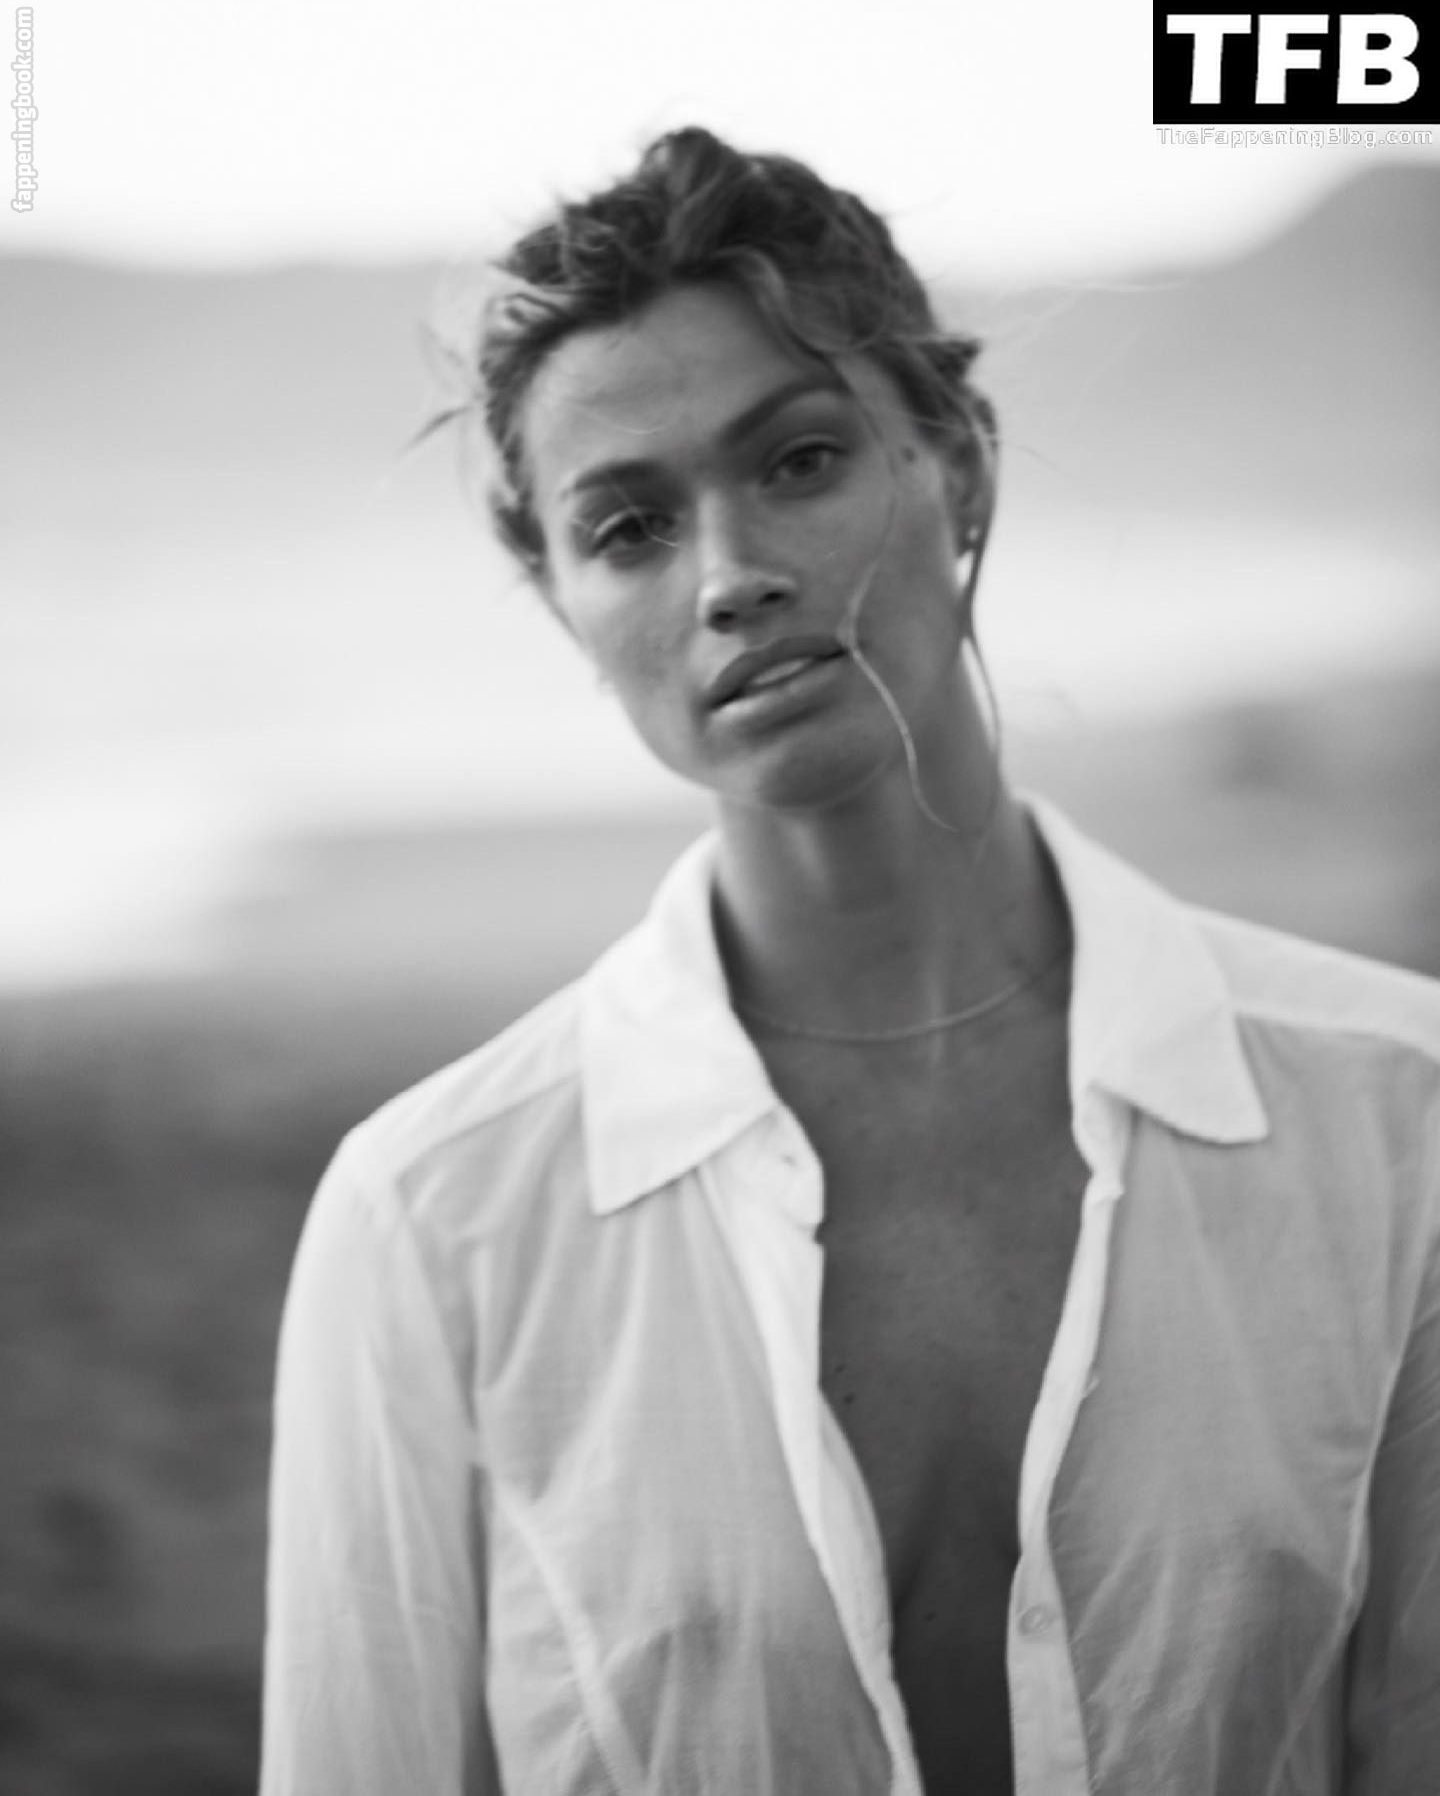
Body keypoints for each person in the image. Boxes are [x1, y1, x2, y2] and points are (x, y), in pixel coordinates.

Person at [259, 128, 1440, 1796]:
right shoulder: (435, 1217)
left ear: (958, 462)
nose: (731, 575)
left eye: (801, 460)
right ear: (563, 603)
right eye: (629, 528)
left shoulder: (1396, 1116)